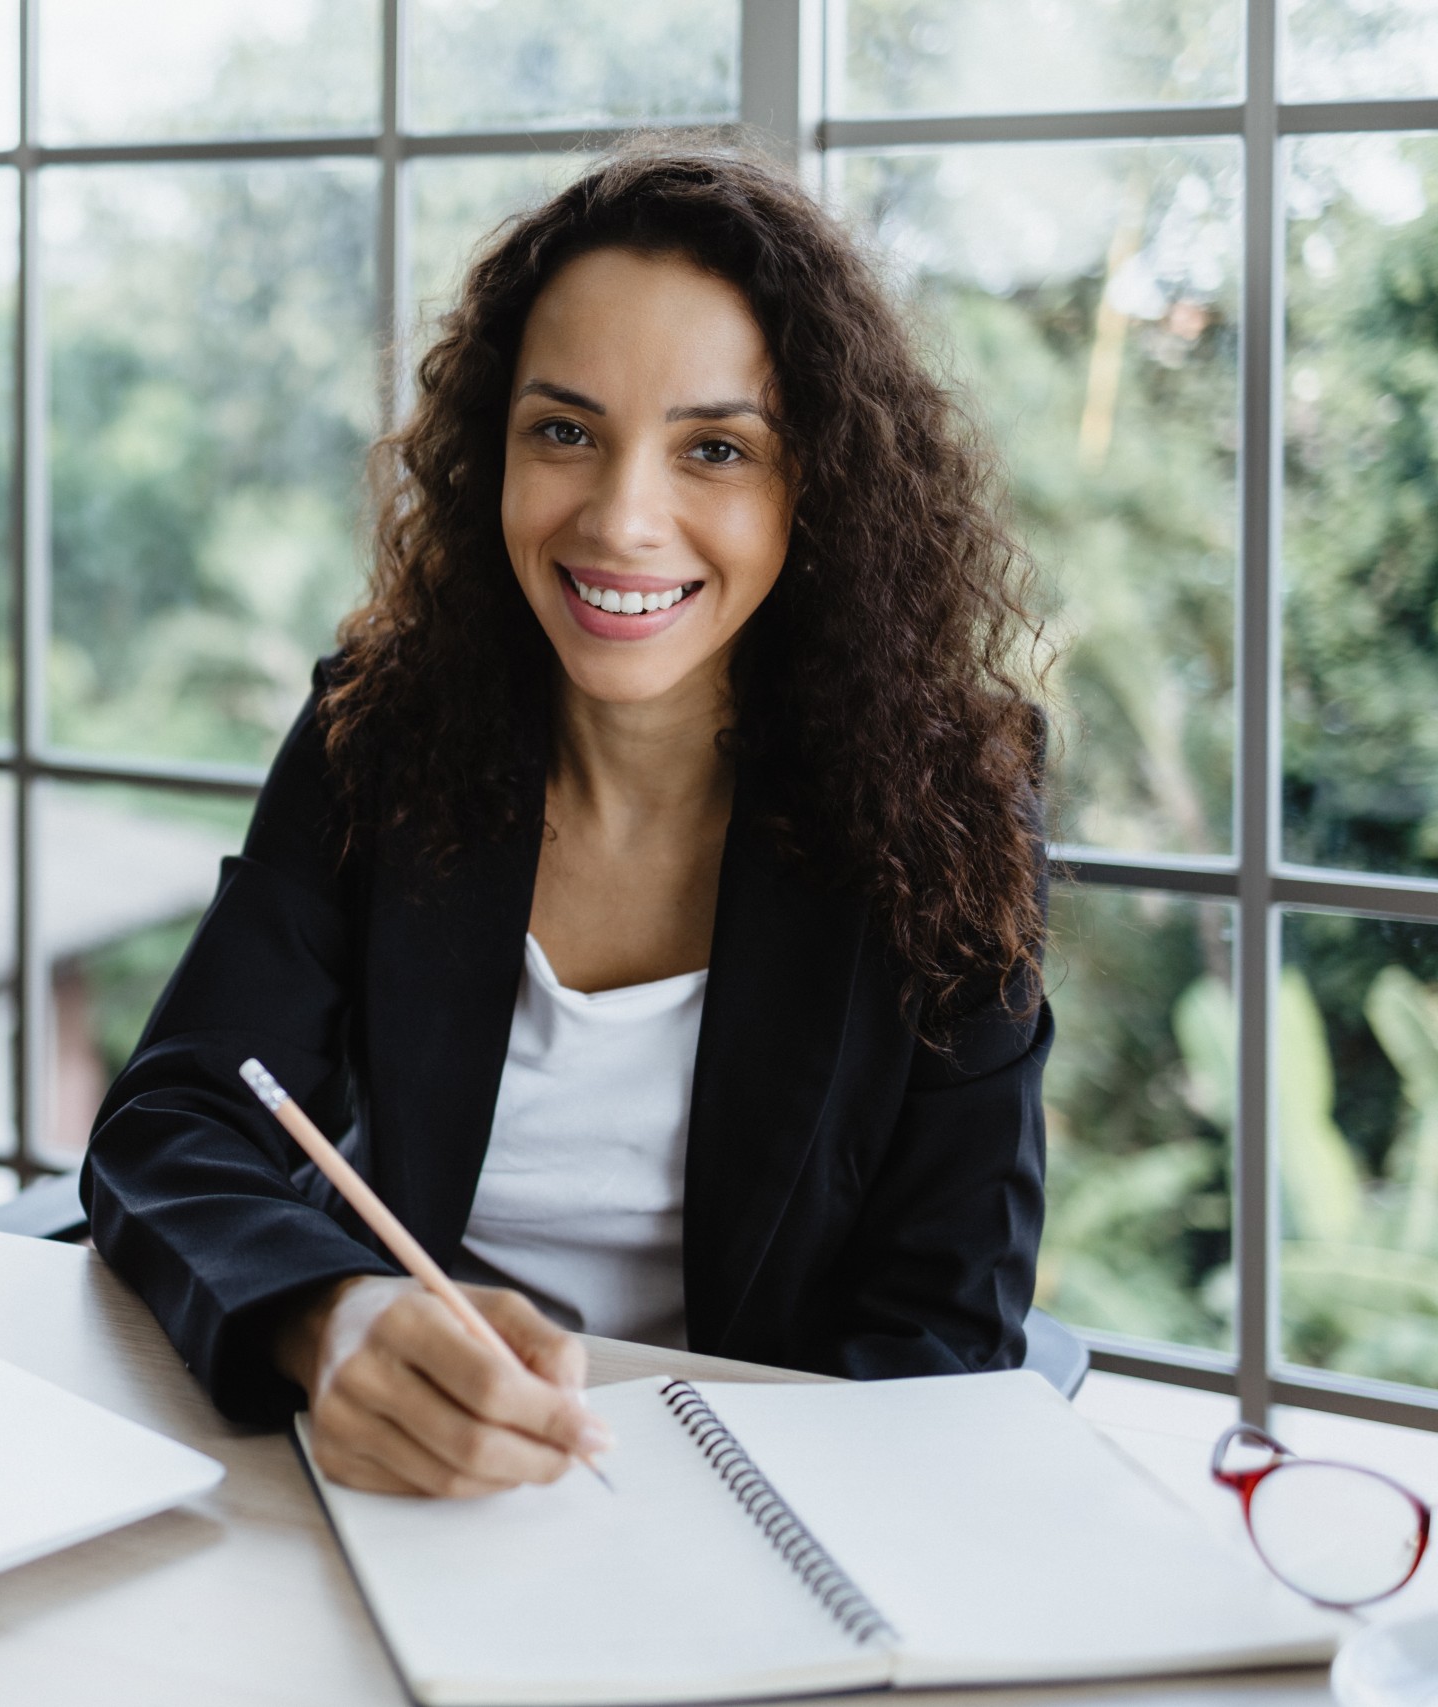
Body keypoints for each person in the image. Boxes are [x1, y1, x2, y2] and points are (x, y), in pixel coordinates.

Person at [81, 138, 1053, 1500]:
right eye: (565, 431)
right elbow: (174, 1118)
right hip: (396, 1481)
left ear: (817, 490)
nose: (621, 517)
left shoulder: (944, 806)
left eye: (715, 448)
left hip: (764, 1511)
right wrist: (330, 1318)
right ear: (494, 454)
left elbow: (945, 1327)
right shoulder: (384, 731)